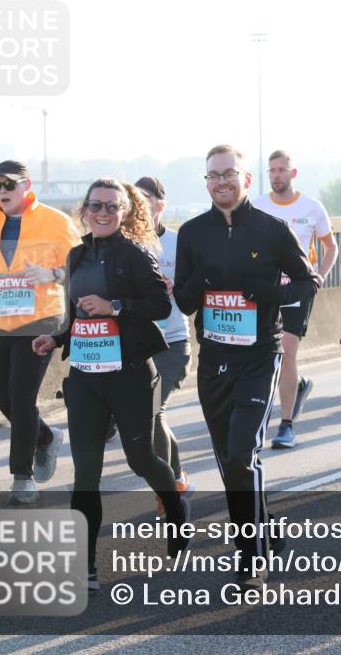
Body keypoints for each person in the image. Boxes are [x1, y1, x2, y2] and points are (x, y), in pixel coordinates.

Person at [31, 178, 192, 591]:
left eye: (111, 207)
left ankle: (175, 509)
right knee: (86, 473)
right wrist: (57, 338)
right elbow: (77, 316)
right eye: (96, 206)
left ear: (124, 212)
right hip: (86, 379)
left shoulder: (136, 254)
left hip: (130, 376)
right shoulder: (76, 255)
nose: (102, 213)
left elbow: (160, 305)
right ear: (84, 210)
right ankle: (85, 566)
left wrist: (114, 306)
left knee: (142, 461)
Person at [174, 144, 320, 583]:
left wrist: (268, 293)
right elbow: (183, 301)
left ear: (246, 179)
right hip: (213, 359)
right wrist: (202, 281)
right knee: (229, 461)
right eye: (213, 175)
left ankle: (251, 556)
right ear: (207, 182)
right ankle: (264, 528)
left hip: (258, 357)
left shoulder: (271, 229)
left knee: (242, 454)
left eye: (229, 174)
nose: (221, 182)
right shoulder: (192, 233)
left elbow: (307, 282)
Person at [0, 160, 80, 504]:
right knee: (6, 402)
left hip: (41, 320)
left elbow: (79, 265)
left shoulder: (56, 221)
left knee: (22, 396)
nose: (1, 191)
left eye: (8, 184)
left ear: (26, 185)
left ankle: (22, 477)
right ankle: (46, 438)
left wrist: (52, 275)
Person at [253, 150, 338, 449]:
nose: (276, 175)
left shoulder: (312, 207)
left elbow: (331, 247)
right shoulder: (257, 206)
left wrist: (320, 276)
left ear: (293, 173)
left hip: (298, 288)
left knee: (287, 350)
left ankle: (286, 425)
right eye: (272, 170)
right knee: (267, 353)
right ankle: (298, 385)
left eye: (281, 170)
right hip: (267, 290)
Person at [134, 176, 195, 513]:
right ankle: (178, 477)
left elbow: (195, 290)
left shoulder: (178, 242)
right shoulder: (126, 243)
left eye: (144, 198)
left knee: (152, 410)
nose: (138, 203)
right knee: (152, 415)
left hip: (173, 343)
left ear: (160, 205)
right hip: (139, 345)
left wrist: (178, 287)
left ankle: (168, 491)